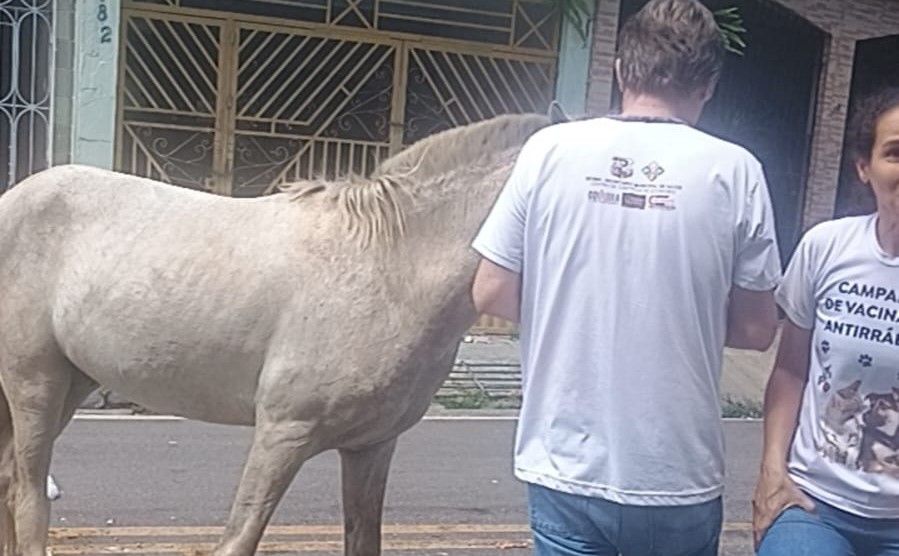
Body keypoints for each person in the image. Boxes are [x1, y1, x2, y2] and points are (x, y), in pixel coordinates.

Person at [469, 0, 782, 554]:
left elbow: (491, 289)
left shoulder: (548, 150)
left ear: (619, 70)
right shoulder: (736, 170)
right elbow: (757, 330)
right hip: (676, 471)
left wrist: (576, 306)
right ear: (708, 85)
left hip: (563, 460)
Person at [753, 86, 899, 556]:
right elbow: (791, 370)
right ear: (864, 168)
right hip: (816, 505)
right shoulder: (825, 248)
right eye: (895, 153)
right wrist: (772, 472)